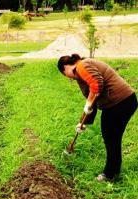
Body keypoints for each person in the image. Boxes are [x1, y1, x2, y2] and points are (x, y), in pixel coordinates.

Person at [58, 54, 137, 182]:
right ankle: (114, 171)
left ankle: (109, 174)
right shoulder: (81, 74)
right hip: (124, 101)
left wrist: (88, 102)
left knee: (111, 137)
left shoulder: (81, 66)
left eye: (64, 73)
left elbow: (96, 84)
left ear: (65, 67)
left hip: (119, 102)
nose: (69, 77)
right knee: (112, 138)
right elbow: (92, 102)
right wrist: (83, 123)